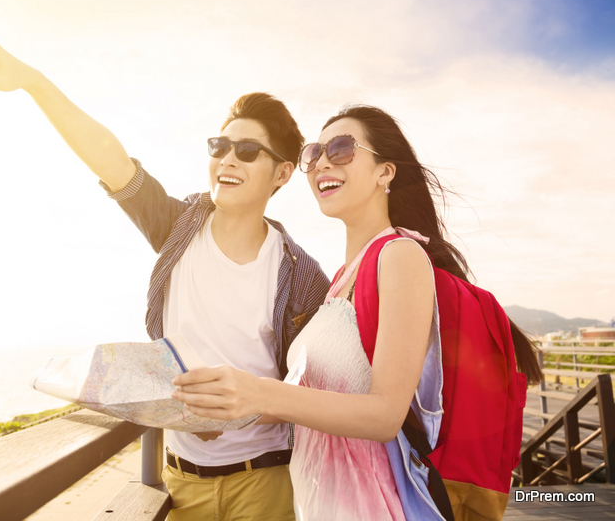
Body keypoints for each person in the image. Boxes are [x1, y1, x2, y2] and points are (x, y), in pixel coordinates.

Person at [0, 6, 330, 521]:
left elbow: (317, 393)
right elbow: (109, 156)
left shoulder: (301, 274)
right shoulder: (177, 227)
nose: (228, 159)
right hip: (180, 478)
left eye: (247, 150)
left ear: (282, 173)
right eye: (220, 145)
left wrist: (249, 407)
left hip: (263, 481)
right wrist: (31, 82)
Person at [172, 105, 542, 520]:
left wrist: (258, 391)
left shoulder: (399, 255)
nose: (322, 162)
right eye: (314, 153)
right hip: (319, 502)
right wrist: (227, 406)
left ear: (385, 172)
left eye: (342, 148)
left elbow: (386, 413)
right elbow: (320, 403)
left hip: (371, 504)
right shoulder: (341, 279)